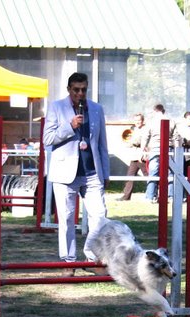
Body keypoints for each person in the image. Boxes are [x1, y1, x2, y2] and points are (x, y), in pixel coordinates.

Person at [43, 72, 110, 276]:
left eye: (83, 89)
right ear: (69, 89)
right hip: (65, 173)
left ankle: (92, 257)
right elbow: (47, 138)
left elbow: (102, 144)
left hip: (92, 172)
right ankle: (68, 261)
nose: (80, 93)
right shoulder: (56, 107)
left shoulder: (97, 109)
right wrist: (69, 127)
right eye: (76, 90)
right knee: (67, 218)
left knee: (99, 216)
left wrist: (105, 173)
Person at [143, 104, 180, 203]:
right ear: (163, 111)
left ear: (155, 111)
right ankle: (170, 196)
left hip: (155, 148)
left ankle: (150, 196)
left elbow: (146, 136)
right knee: (170, 172)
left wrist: (144, 149)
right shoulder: (171, 121)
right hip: (169, 148)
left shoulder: (151, 122)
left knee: (153, 172)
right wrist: (177, 151)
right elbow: (176, 137)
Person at [117, 113, 148, 201]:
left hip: (142, 157)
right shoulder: (132, 129)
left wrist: (131, 141)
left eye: (139, 120)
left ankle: (153, 194)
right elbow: (128, 141)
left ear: (142, 121)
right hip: (134, 156)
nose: (137, 122)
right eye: (136, 120)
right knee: (130, 176)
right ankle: (126, 196)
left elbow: (138, 141)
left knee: (148, 176)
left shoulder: (145, 130)